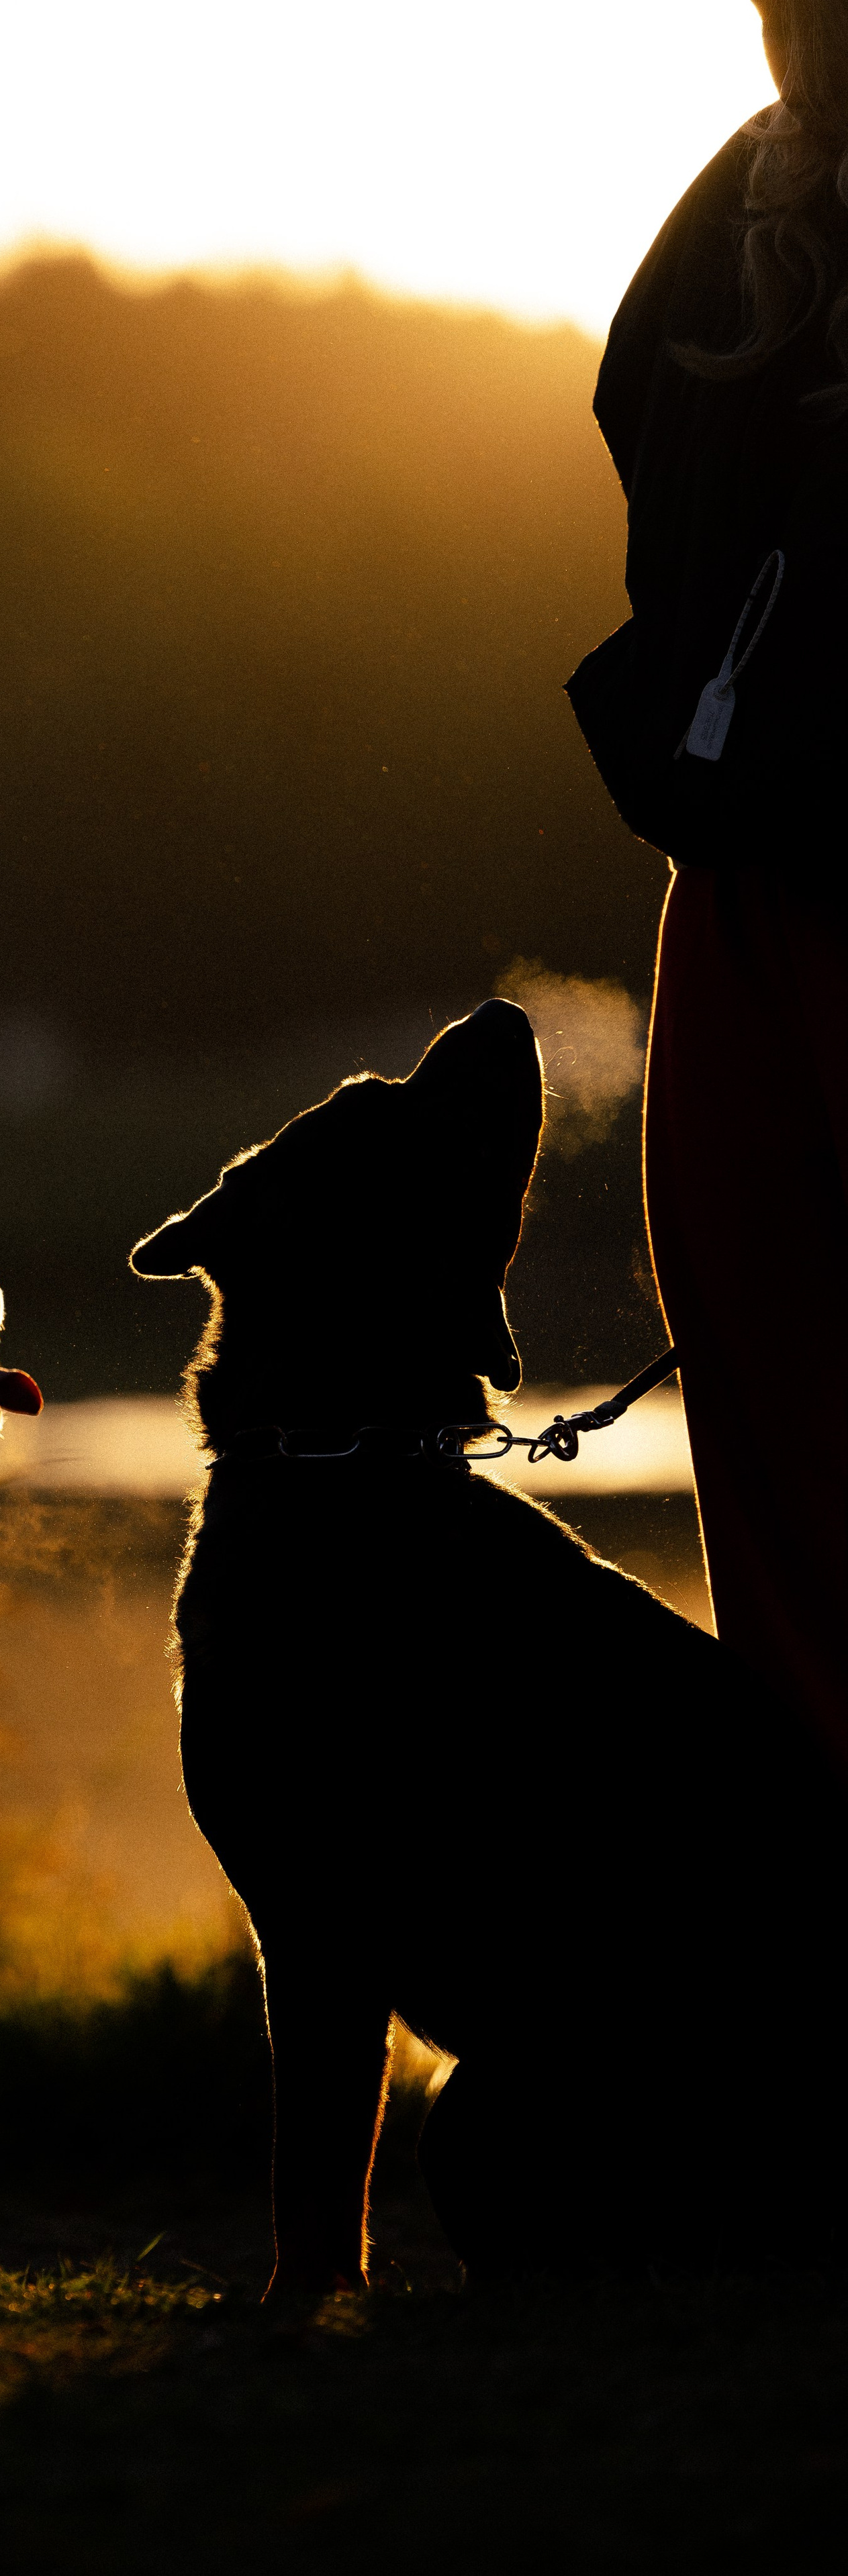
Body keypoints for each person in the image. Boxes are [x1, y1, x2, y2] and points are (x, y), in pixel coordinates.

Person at [578, 0, 848, 1763]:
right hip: (753, 889)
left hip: (787, 880)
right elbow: (641, 431)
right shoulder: (738, 214)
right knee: (780, 1471)